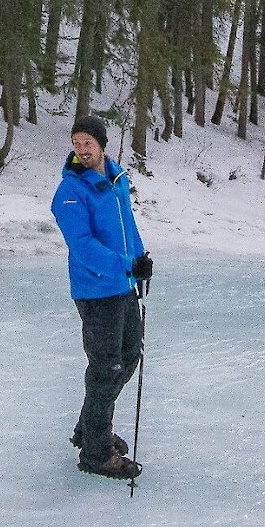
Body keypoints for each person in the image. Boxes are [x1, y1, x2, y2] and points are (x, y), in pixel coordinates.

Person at [50, 116, 152, 481]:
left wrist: (140, 261)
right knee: (106, 368)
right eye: (76, 143)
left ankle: (88, 428)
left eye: (88, 143)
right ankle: (95, 452)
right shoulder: (70, 191)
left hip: (122, 286)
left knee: (128, 358)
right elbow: (83, 248)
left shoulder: (115, 178)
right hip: (96, 291)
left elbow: (128, 225)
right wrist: (127, 265)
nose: (82, 149)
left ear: (101, 145)